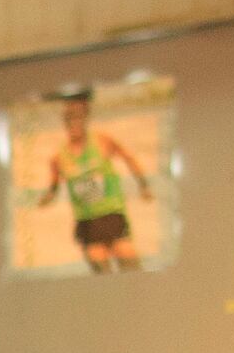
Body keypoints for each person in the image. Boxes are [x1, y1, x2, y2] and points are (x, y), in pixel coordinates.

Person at [33, 89, 154, 272]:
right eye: (70, 120)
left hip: (111, 214)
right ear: (65, 124)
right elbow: (53, 188)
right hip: (87, 221)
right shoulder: (59, 158)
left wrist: (143, 186)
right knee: (101, 270)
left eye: (78, 118)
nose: (74, 124)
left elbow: (129, 158)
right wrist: (44, 200)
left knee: (130, 265)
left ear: (85, 120)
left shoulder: (102, 141)